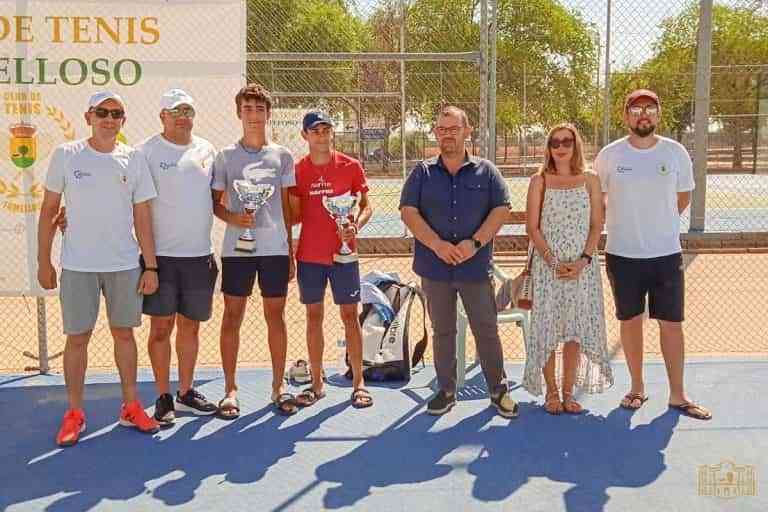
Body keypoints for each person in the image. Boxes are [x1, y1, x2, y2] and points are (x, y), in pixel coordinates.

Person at [38, 91, 161, 447]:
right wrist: (42, 261)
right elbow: (49, 210)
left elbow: (142, 216)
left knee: (125, 335)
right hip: (78, 266)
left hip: (124, 264)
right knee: (77, 339)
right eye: (102, 112)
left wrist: (149, 266)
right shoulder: (66, 154)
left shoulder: (133, 158)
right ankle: (74, 413)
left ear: (124, 120)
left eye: (116, 113)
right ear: (89, 116)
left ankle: (131, 405)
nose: (109, 119)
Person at [595, 89, 711, 420]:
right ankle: (637, 388)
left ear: (658, 114)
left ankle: (678, 395)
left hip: (666, 256)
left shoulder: (675, 153)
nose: (642, 114)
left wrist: (656, 224)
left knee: (671, 324)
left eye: (649, 108)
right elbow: (599, 199)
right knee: (630, 322)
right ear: (625, 115)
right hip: (622, 255)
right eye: (635, 109)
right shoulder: (609, 156)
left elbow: (682, 199)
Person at [399, 106, 518, 418]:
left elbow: (502, 209)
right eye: (441, 128)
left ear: (467, 131)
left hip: (474, 268)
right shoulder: (421, 173)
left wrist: (475, 243)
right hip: (434, 268)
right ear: (436, 133)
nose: (447, 133)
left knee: (486, 328)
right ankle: (446, 390)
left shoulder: (487, 171)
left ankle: (497, 389)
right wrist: (436, 244)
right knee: (443, 331)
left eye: (453, 128)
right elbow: (409, 211)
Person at [211, 84, 297, 418]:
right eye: (247, 109)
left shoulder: (282, 155)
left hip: (274, 249)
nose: (253, 115)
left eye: (259, 109)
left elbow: (288, 209)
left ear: (268, 115)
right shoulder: (224, 157)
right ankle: (230, 389)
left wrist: (289, 248)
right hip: (237, 250)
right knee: (232, 316)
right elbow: (215, 205)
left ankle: (278, 386)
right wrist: (234, 217)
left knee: (275, 315)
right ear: (239, 114)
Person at [135, 89, 220, 425]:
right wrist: (150, 263)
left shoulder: (206, 150)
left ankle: (185, 392)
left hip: (200, 256)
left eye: (188, 110)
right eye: (175, 111)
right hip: (162, 260)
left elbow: (218, 196)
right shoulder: (145, 152)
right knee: (160, 328)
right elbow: (137, 208)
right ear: (162, 117)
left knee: (190, 328)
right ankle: (162, 396)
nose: (183, 116)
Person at [523, 123, 613, 415]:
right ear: (548, 148)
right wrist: (551, 261)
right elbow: (532, 227)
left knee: (574, 330)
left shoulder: (590, 179)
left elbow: (597, 224)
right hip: (548, 266)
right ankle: (550, 392)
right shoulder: (540, 181)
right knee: (548, 327)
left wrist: (582, 261)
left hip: (582, 268)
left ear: (576, 146)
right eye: (554, 142)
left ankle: (568, 392)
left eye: (567, 142)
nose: (560, 147)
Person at [288, 111, 374, 409]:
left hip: (344, 256)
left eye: (326, 130)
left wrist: (355, 226)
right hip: (310, 256)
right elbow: (294, 214)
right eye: (315, 131)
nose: (322, 136)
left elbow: (366, 207)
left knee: (350, 316)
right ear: (305, 136)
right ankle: (316, 383)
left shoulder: (350, 166)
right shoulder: (297, 170)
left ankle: (359, 383)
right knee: (314, 317)